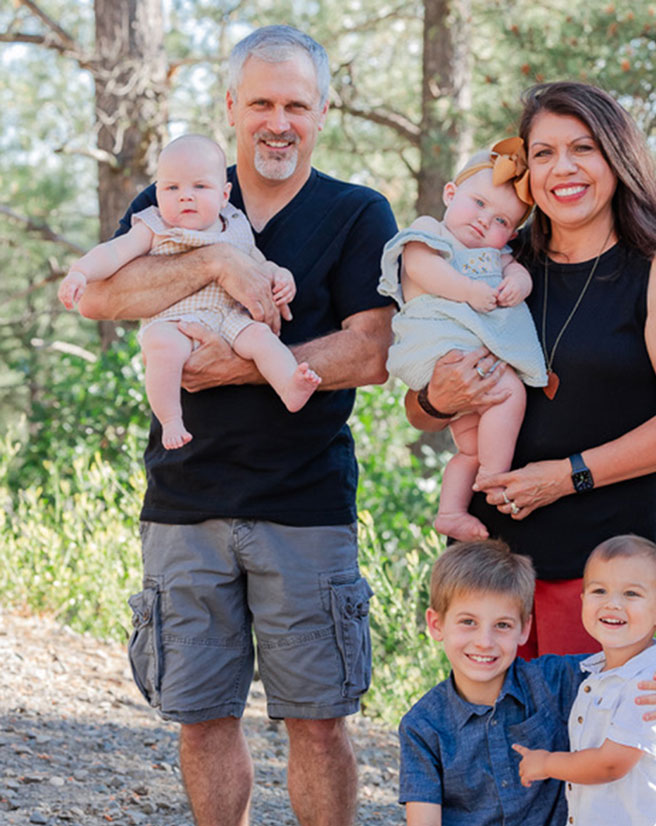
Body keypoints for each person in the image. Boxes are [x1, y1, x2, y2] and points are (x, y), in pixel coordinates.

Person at [75, 25, 397, 826]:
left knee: (318, 722)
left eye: (296, 104)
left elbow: (372, 350)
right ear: (231, 107)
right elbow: (105, 296)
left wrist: (243, 363)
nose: (277, 121)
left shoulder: (357, 212)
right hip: (186, 501)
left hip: (307, 504)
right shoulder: (180, 195)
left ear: (323, 110)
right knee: (202, 715)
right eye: (260, 103)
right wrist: (219, 262)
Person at [404, 81, 656, 658]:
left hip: (600, 577)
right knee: (493, 745)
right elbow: (420, 410)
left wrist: (565, 475)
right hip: (489, 577)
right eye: (544, 153)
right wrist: (438, 398)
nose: (562, 169)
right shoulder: (497, 258)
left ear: (617, 156)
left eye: (583, 148)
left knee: (584, 743)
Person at [398, 539, 656, 826]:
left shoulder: (556, 680)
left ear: (524, 629)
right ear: (436, 625)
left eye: (502, 625)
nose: (484, 642)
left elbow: (633, 659)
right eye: (468, 622)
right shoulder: (422, 725)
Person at [59, 134, 320, 449]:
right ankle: (171, 419)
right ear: (157, 192)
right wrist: (80, 273)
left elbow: (260, 264)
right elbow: (113, 253)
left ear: (224, 195)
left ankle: (290, 386)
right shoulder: (153, 225)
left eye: (199, 187)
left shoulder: (235, 224)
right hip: (175, 321)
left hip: (228, 318)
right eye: (172, 188)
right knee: (162, 347)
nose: (185, 197)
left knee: (262, 339)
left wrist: (282, 276)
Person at [378, 140, 546, 541]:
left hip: (463, 357)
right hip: (437, 347)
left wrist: (518, 286)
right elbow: (420, 266)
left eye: (503, 221)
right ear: (450, 194)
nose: (486, 222)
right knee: (508, 391)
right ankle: (494, 476)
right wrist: (469, 290)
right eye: (479, 204)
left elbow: (518, 272)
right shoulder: (428, 231)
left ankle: (451, 511)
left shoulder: (498, 254)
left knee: (468, 448)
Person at [513, 535, 656, 825]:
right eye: (599, 591)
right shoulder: (598, 670)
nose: (613, 604)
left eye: (631, 594)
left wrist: (546, 763)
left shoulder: (651, 683)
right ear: (583, 600)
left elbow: (611, 764)